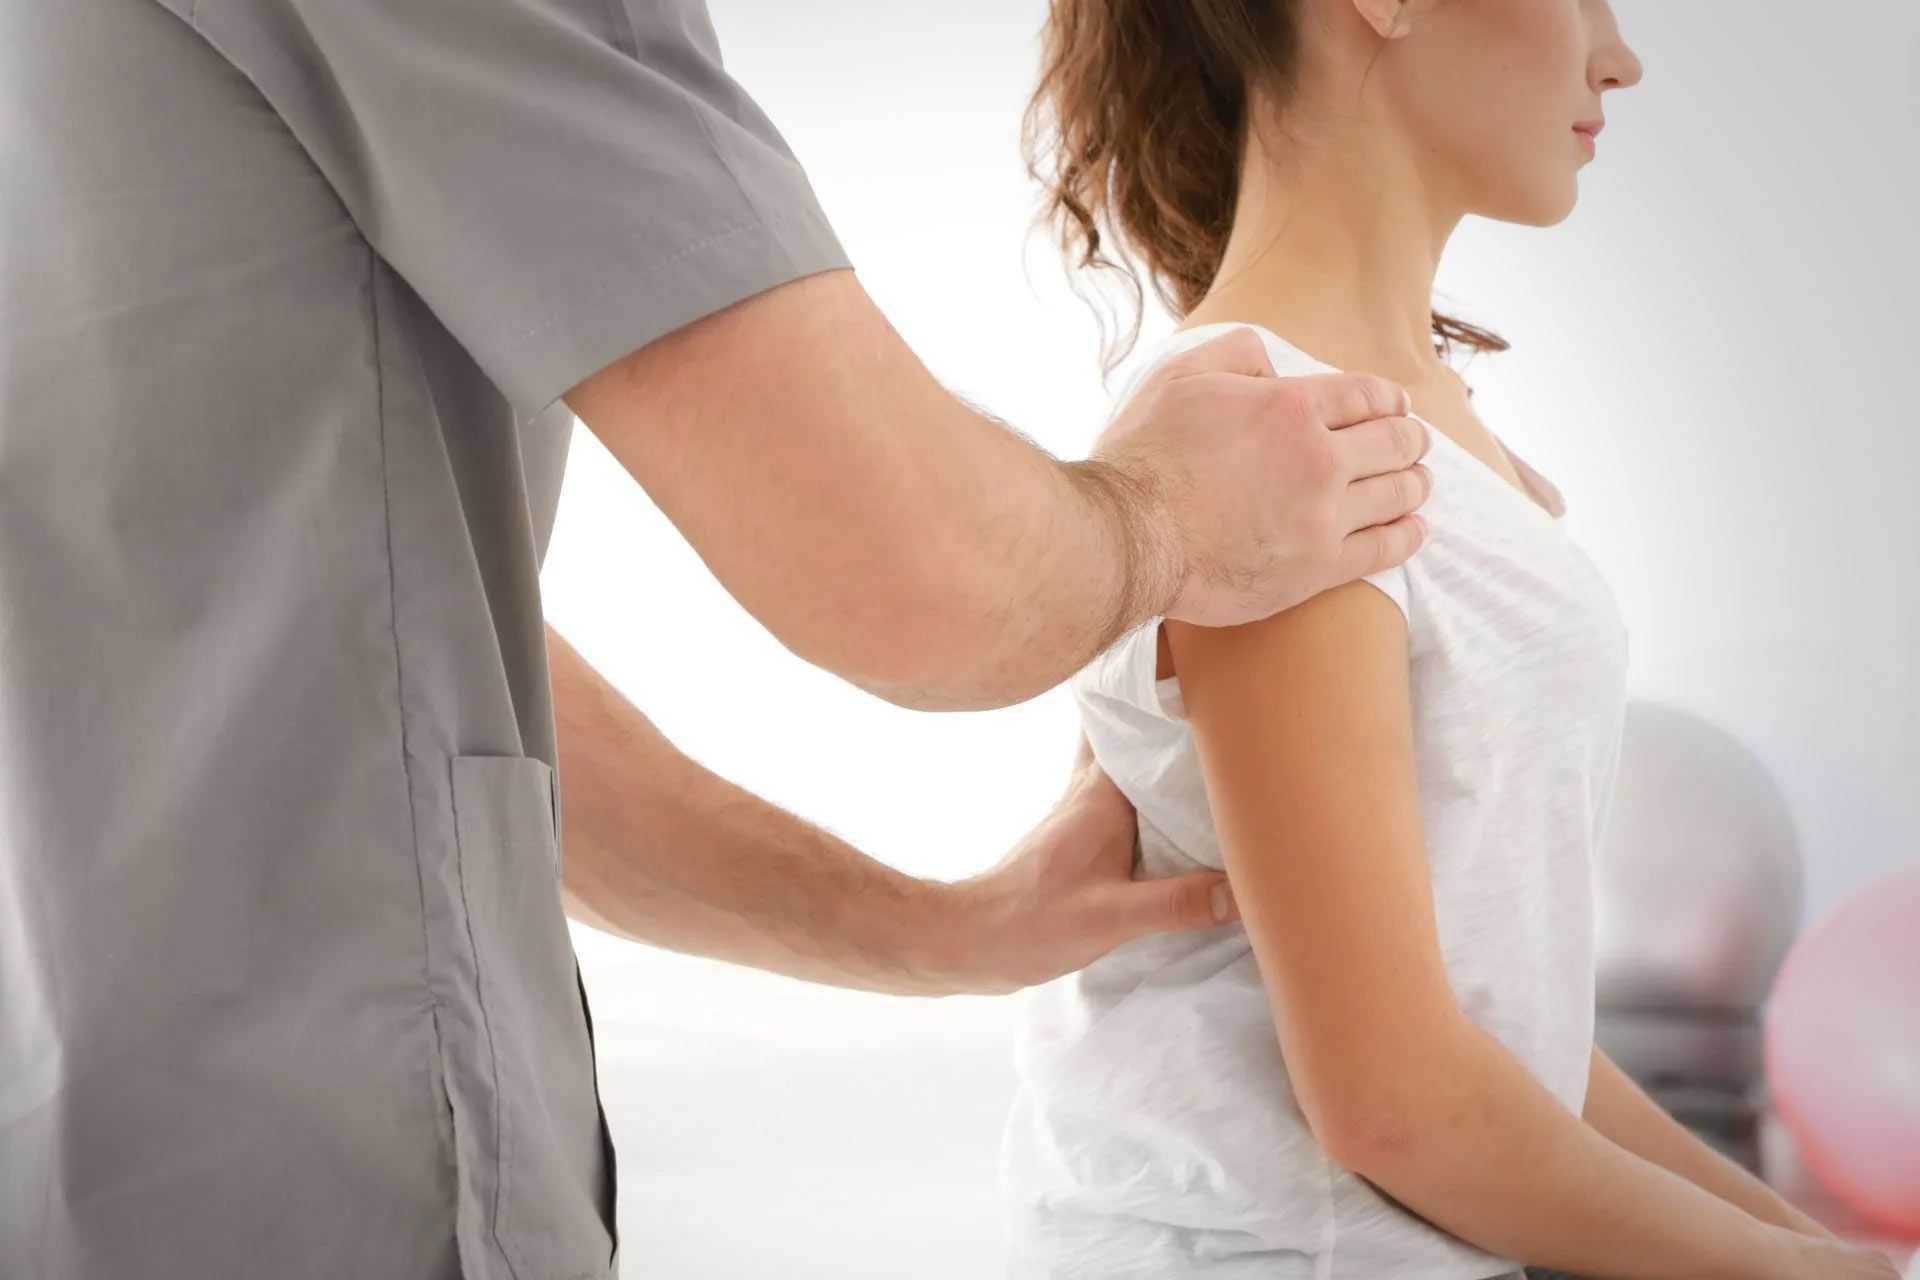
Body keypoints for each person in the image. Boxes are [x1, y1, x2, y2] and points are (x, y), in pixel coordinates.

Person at [0, 1, 1438, 1277]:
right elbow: (911, 574)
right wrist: (1167, 514)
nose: (1617, 56)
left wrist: (945, 932)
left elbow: (384, 678)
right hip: (316, 1177)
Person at [999, 2, 1902, 1279]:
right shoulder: (1284, 447)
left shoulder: (1396, 430)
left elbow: (1503, 1032)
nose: (1618, 54)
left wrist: (1808, 1250)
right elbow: (1393, 1100)